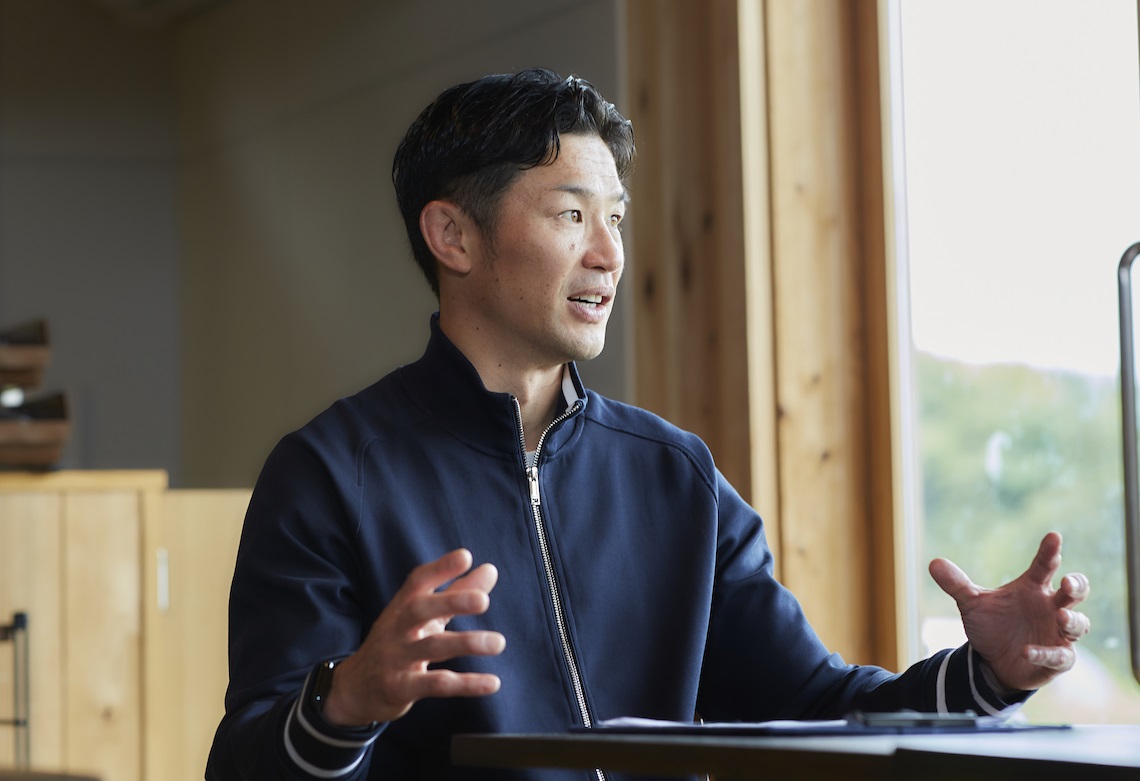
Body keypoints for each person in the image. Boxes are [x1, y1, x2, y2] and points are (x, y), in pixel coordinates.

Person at [204, 68, 1091, 781]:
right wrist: (346, 699)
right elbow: (249, 760)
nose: (610, 254)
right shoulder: (331, 472)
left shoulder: (676, 474)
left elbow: (811, 704)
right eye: (571, 214)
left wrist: (987, 674)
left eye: (616, 219)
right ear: (454, 236)